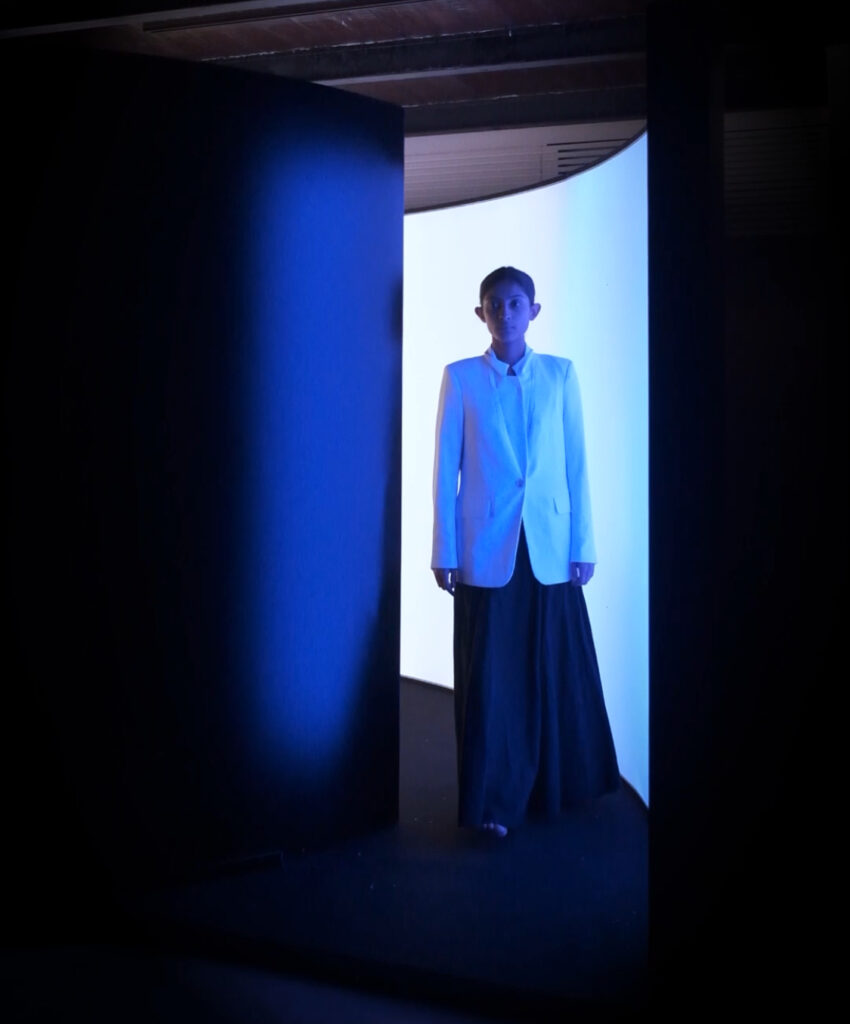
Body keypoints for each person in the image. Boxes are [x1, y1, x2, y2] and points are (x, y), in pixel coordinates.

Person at [431, 266, 620, 838]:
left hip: (551, 547)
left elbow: (577, 464)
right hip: (486, 549)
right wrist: (444, 550)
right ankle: (492, 802)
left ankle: (559, 789)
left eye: (516, 303)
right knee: (492, 682)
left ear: (534, 311)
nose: (505, 313)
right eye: (494, 304)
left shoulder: (561, 375)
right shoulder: (461, 378)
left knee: (554, 671)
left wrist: (584, 543)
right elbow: (445, 471)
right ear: (480, 313)